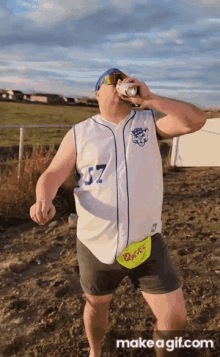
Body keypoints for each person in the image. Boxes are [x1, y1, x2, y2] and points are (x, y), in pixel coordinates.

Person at [30, 68, 206, 357]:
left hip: (146, 242)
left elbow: (195, 121)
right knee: (96, 306)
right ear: (98, 93)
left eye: (123, 78)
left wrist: (151, 99)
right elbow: (52, 173)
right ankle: (95, 351)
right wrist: (42, 198)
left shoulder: (148, 123)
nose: (120, 81)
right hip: (95, 242)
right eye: (112, 79)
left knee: (175, 318)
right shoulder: (80, 132)